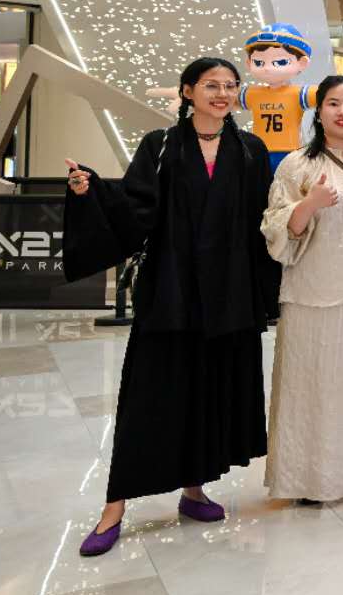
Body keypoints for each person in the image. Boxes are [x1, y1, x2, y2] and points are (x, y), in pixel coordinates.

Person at [65, 58, 280, 556]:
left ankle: (193, 490)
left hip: (227, 297)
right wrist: (92, 189)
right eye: (211, 85)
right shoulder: (160, 145)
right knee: (149, 395)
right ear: (187, 92)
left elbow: (261, 221)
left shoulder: (250, 149)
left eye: (230, 86)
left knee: (207, 393)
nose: (222, 94)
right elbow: (134, 207)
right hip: (171, 293)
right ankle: (114, 507)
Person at [260, 75, 343, 504]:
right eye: (333, 103)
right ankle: (307, 481)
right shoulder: (295, 164)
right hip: (311, 292)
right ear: (319, 111)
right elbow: (279, 231)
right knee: (310, 386)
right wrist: (309, 204)